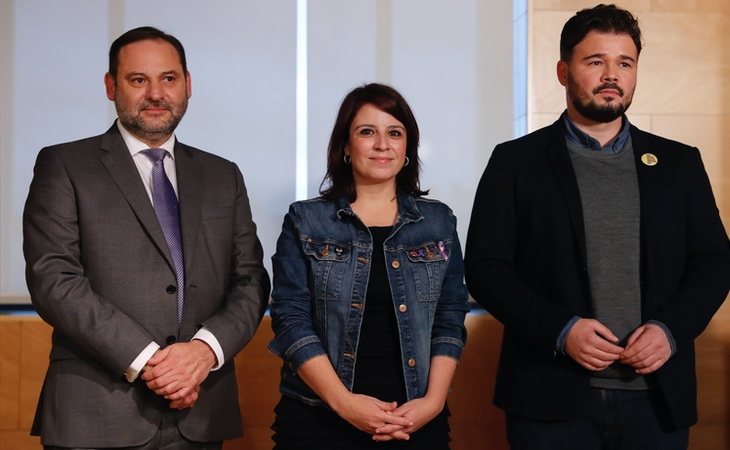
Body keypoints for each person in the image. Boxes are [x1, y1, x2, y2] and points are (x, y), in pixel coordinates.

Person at [465, 4, 730, 450]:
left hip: (657, 401)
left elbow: (714, 262)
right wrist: (560, 330)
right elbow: (486, 269)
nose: (612, 74)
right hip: (549, 402)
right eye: (595, 62)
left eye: (624, 63)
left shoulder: (680, 163)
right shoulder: (515, 162)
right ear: (563, 71)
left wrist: (670, 330)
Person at [23, 26, 270, 450]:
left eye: (168, 79)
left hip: (200, 414)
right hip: (96, 414)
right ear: (110, 86)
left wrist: (204, 352)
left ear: (188, 85)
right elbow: (54, 279)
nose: (156, 94)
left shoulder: (222, 175)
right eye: (138, 80)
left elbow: (250, 280)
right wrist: (153, 363)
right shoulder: (64, 164)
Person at [268, 83, 470, 449]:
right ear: (346, 146)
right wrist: (344, 404)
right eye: (367, 132)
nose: (382, 144)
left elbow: (450, 316)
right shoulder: (306, 220)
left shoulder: (438, 222)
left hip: (416, 419)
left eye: (395, 133)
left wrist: (433, 402)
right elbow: (290, 318)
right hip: (319, 419)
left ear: (408, 147)